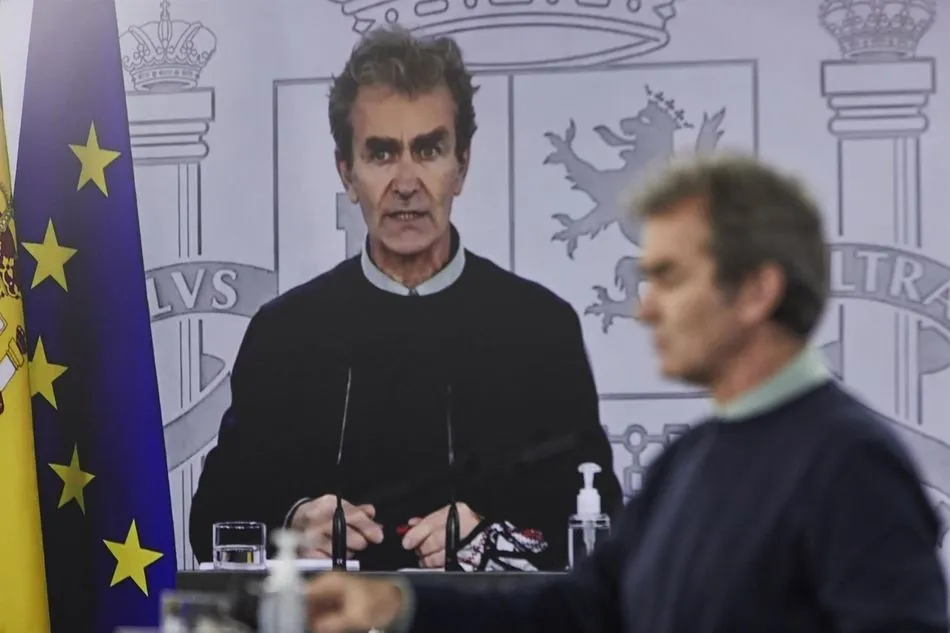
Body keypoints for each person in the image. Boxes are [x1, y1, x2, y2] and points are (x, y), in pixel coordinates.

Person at [303, 152, 950, 632]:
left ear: (756, 289)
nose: (646, 309)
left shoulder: (849, 463)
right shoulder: (690, 460)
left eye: (669, 277)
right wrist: (402, 603)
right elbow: (580, 606)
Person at [188, 26, 622, 572]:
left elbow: (599, 520)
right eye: (382, 153)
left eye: (430, 149)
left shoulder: (539, 330)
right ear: (347, 173)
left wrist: (495, 540)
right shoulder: (287, 333)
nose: (407, 181)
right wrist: (293, 522)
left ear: (461, 165)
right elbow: (212, 519)